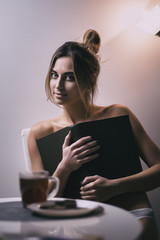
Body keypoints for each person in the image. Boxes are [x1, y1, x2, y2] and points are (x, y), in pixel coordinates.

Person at [28, 29, 160, 240]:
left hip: (132, 215)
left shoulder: (119, 113)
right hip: (80, 224)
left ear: (89, 79)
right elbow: (35, 203)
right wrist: (64, 167)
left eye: (69, 77)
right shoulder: (38, 133)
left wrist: (114, 187)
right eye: (54, 75)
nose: (58, 85)